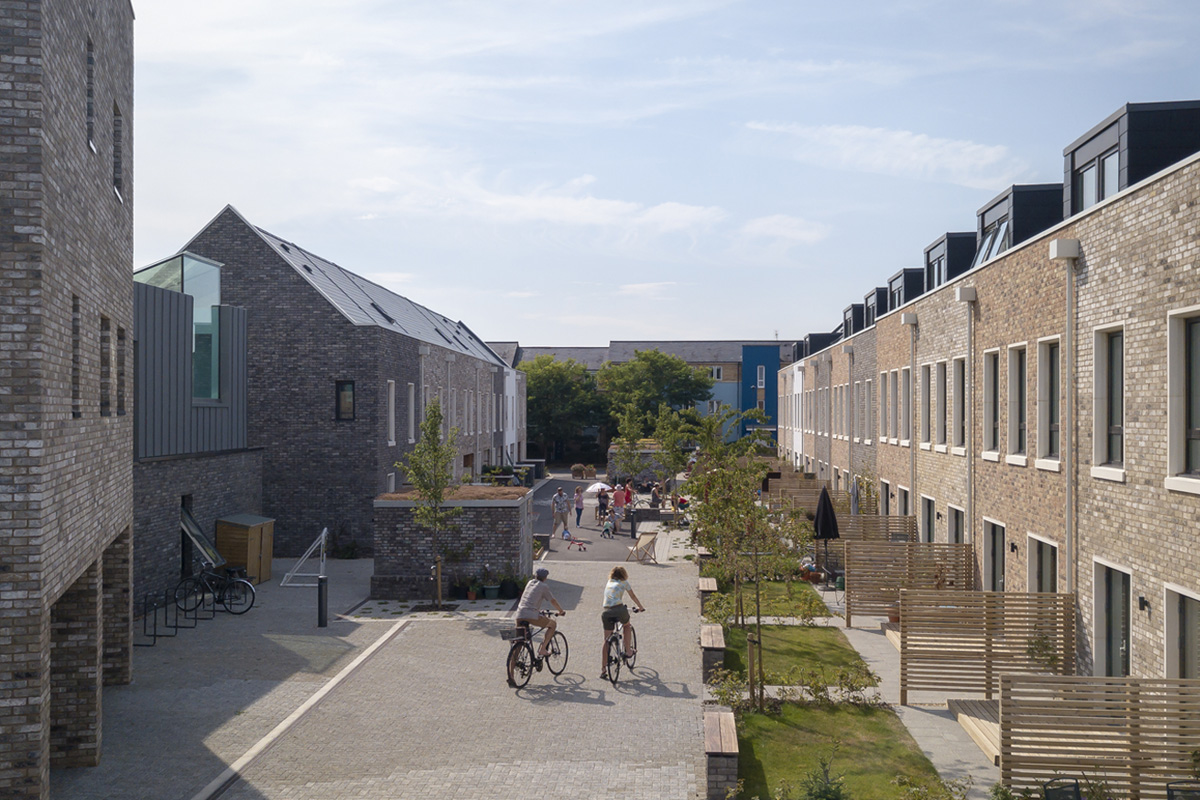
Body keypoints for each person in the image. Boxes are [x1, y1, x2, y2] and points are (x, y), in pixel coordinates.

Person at [600, 566, 645, 678]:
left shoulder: (609, 581)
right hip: (619, 609)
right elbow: (632, 596)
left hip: (606, 612)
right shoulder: (624, 582)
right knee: (627, 625)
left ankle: (603, 669)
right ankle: (629, 651)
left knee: (606, 640)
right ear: (623, 574)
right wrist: (640, 607)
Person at [515, 568, 565, 661]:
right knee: (553, 624)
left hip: (519, 614)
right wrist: (561, 611)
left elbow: (529, 600)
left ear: (535, 575)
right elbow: (552, 601)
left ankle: (511, 673)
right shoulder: (543, 586)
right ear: (545, 578)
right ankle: (542, 649)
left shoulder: (529, 583)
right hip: (531, 615)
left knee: (520, 640)